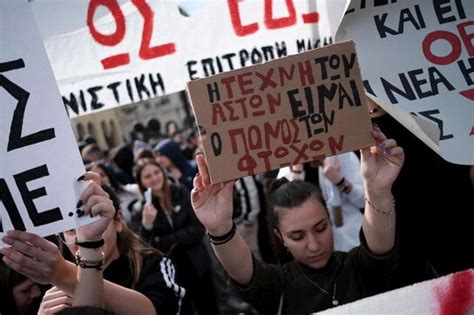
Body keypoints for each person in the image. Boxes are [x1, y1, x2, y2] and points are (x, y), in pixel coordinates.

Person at [191, 127, 404, 314]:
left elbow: (380, 247)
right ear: (280, 237)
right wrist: (220, 229)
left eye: (320, 228)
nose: (313, 245)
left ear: (329, 220)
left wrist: (378, 191)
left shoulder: (358, 268)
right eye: (297, 236)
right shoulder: (279, 286)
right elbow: (244, 272)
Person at [1, 172, 184, 315]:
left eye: (89, 221)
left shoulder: (152, 264)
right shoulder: (49, 286)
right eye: (70, 230)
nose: (80, 236)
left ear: (118, 221)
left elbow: (158, 310)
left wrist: (64, 274)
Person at [132, 158, 218, 315]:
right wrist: (147, 225)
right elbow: (146, 248)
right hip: (171, 272)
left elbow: (197, 229)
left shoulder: (180, 191)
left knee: (208, 305)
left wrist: (164, 240)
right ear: (141, 182)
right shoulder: (140, 209)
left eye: (156, 172)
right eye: (147, 176)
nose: (154, 178)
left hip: (196, 262)